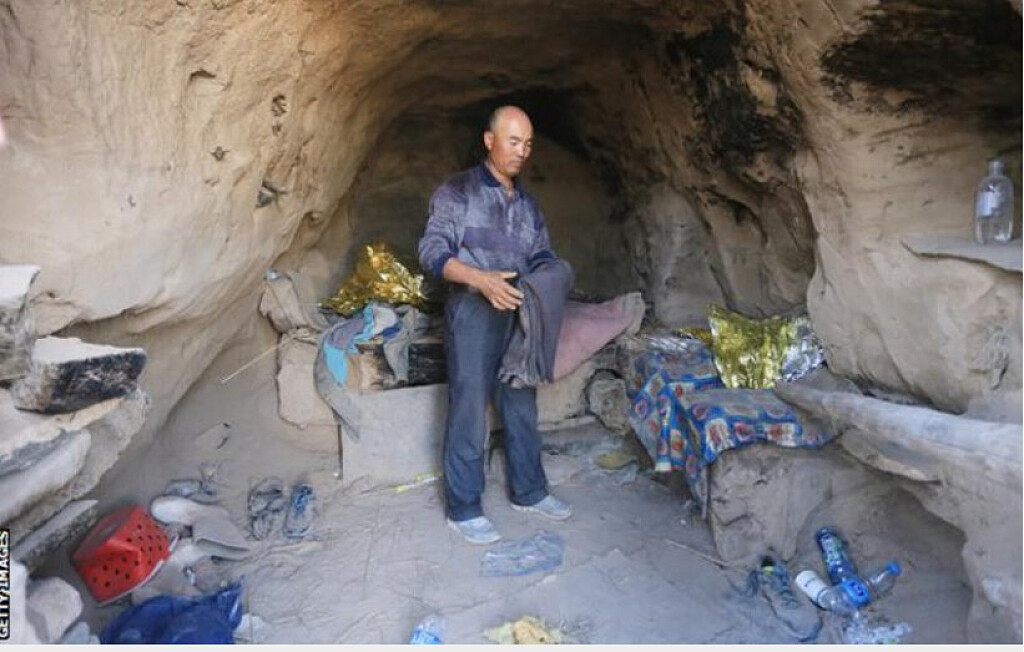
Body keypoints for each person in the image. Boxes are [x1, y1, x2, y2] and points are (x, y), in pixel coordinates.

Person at [418, 105, 573, 544]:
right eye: (513, 141)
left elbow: (540, 254)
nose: (522, 151)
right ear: (490, 141)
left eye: (528, 144)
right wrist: (480, 279)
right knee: (469, 405)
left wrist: (552, 274)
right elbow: (432, 251)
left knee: (521, 400)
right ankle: (464, 507)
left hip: (519, 311)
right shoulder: (457, 191)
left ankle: (529, 491)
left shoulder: (527, 205)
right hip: (473, 310)